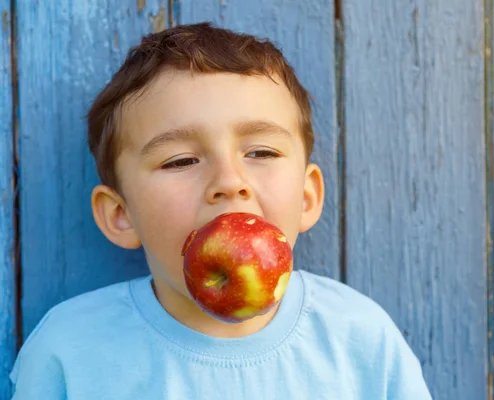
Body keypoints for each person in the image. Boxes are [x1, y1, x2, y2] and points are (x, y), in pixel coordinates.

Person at [9, 22, 432, 399]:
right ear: (120, 215)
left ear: (306, 197)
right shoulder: (70, 351)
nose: (230, 181)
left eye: (261, 151)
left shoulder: (358, 338)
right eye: (180, 161)